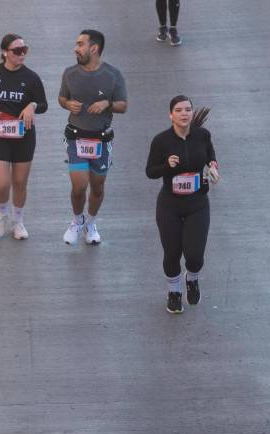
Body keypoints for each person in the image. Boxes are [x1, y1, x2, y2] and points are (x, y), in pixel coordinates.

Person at [145, 96, 219, 313]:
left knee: (195, 256)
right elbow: (150, 172)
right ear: (171, 115)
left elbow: (210, 155)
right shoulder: (161, 141)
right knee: (172, 253)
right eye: (179, 110)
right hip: (170, 205)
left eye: (188, 109)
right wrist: (167, 166)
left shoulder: (202, 136)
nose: (184, 113)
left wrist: (213, 167)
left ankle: (192, 278)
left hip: (197, 204)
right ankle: (174, 292)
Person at [0, 34, 48, 240]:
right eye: (17, 51)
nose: (22, 54)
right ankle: (2, 214)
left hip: (24, 135)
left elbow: (43, 104)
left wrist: (31, 106)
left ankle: (18, 220)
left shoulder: (32, 78)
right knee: (1, 184)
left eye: (25, 50)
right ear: (5, 53)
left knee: (19, 182)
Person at [58, 29, 127, 245]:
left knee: (97, 187)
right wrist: (67, 104)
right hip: (76, 138)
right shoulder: (69, 73)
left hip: (102, 140)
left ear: (94, 48)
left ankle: (91, 222)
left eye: (80, 44)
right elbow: (61, 98)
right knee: (79, 186)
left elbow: (123, 105)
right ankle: (77, 220)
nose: (75, 48)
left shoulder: (113, 75)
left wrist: (107, 103)